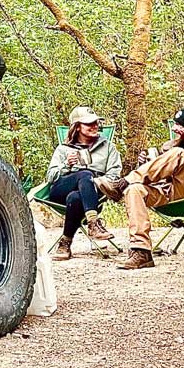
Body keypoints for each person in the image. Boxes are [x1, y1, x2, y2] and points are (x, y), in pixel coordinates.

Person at [97, 105, 184, 270]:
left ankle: (122, 183)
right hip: (165, 192)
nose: (174, 128)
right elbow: (155, 171)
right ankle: (141, 252)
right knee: (134, 189)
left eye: (179, 125)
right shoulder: (168, 146)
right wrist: (144, 162)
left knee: (179, 154)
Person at [44, 106, 122, 260]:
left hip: (93, 192)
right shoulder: (63, 149)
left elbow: (114, 174)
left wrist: (97, 181)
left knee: (75, 197)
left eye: (96, 123)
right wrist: (67, 165)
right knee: (84, 175)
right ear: (77, 127)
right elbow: (51, 176)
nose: (94, 126)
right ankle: (93, 223)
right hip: (61, 189)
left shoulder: (108, 147)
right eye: (89, 124)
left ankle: (65, 243)